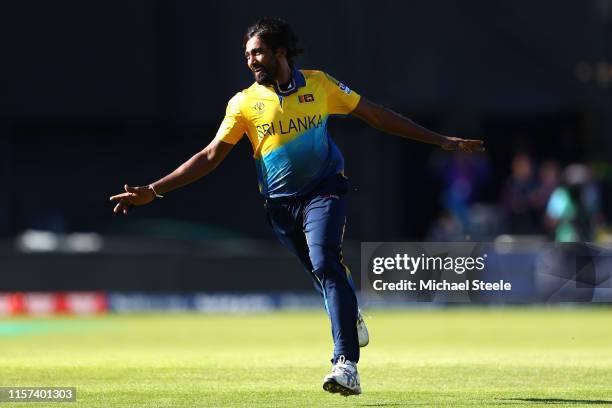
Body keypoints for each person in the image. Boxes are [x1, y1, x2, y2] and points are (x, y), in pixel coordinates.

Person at [109, 17, 484, 396]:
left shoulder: (320, 84)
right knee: (326, 274)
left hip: (325, 190)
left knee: (325, 262)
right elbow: (210, 156)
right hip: (281, 207)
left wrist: (439, 140)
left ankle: (345, 364)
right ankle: (349, 311)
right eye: (247, 55)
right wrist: (153, 191)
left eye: (258, 52)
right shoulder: (243, 103)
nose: (252, 60)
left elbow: (374, 114)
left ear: (280, 52)